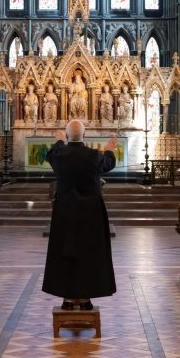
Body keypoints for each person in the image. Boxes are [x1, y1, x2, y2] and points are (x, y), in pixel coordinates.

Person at [42, 120, 117, 311]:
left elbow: (51, 154)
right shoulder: (93, 156)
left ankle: (67, 299)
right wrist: (109, 150)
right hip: (90, 213)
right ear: (85, 134)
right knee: (88, 253)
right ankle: (85, 299)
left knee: (65, 252)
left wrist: (60, 141)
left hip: (65, 211)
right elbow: (109, 163)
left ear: (67, 135)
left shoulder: (59, 155)